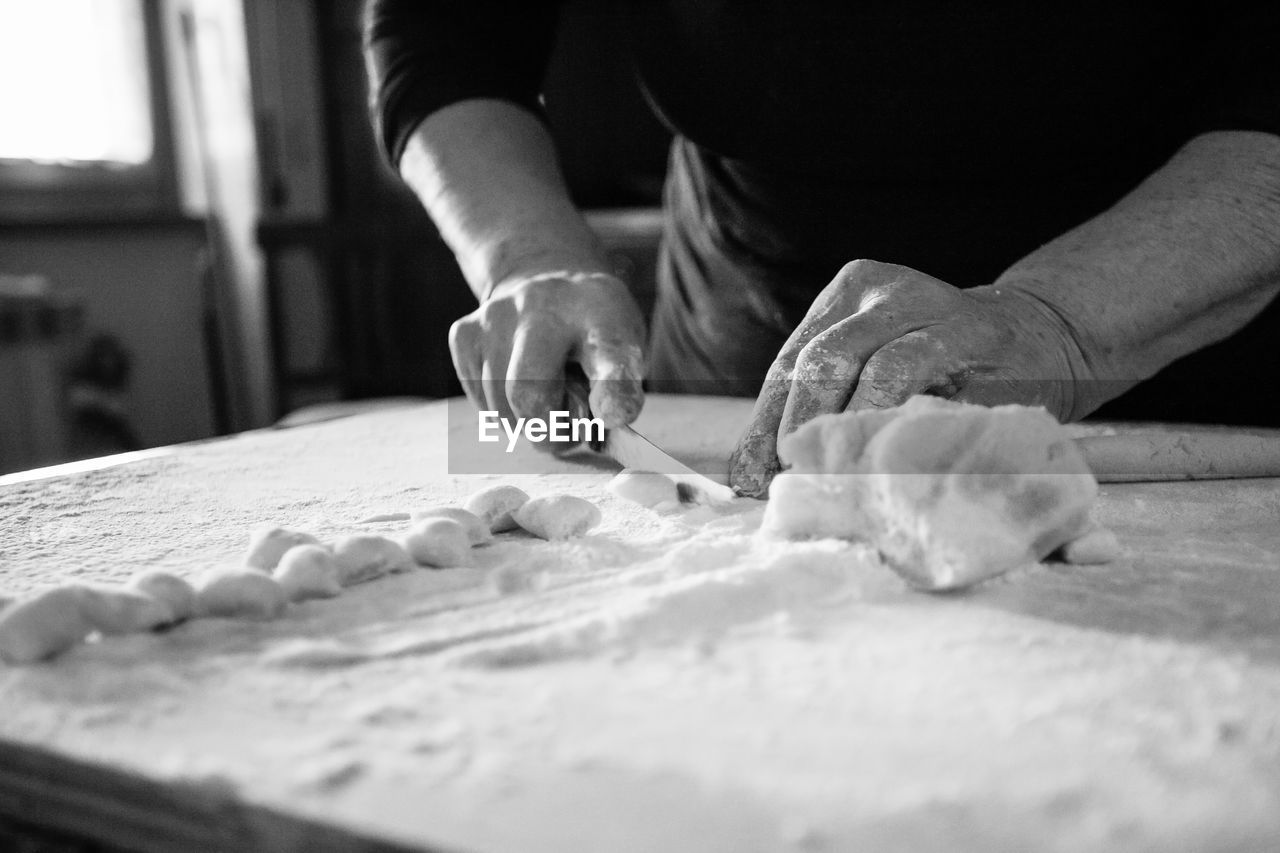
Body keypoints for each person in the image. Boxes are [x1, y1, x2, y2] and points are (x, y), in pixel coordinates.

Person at [363, 2, 1280, 495]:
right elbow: (447, 34)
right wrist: (528, 253)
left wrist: (1060, 324)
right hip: (725, 380)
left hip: (1181, 357)